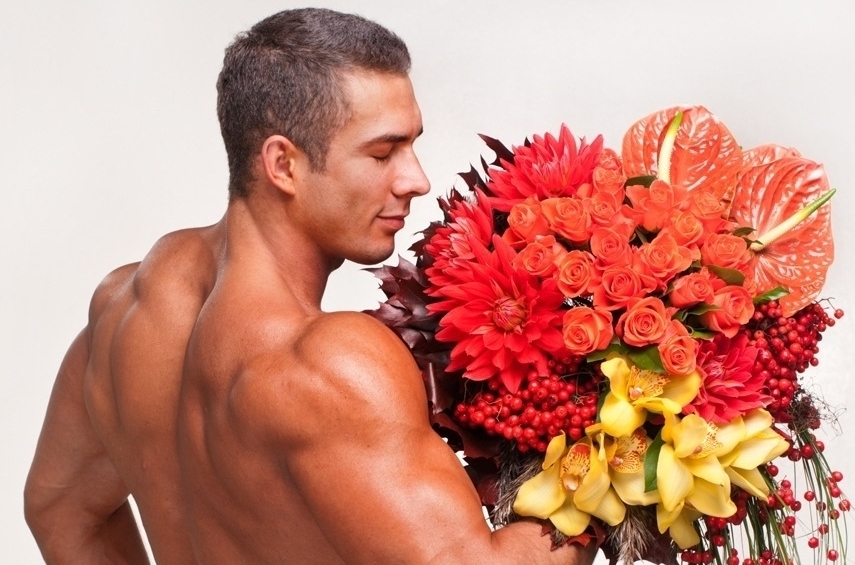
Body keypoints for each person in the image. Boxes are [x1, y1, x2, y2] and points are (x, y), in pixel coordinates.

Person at [24, 8, 599, 565]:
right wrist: (621, 439)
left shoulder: (122, 307)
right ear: (283, 165)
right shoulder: (335, 366)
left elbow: (60, 509)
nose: (416, 179)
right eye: (382, 152)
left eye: (412, 146)